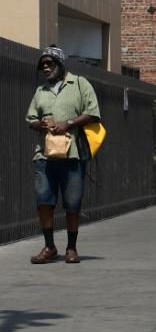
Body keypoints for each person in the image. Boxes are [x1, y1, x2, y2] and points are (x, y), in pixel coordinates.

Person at [25, 45, 101, 264]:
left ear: (60, 64)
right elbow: (30, 119)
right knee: (44, 200)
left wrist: (68, 123)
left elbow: (93, 113)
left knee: (72, 202)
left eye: (49, 64)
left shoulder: (79, 84)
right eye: (42, 66)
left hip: (73, 155)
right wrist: (41, 123)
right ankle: (49, 247)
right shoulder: (41, 91)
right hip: (44, 155)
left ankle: (71, 248)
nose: (46, 68)